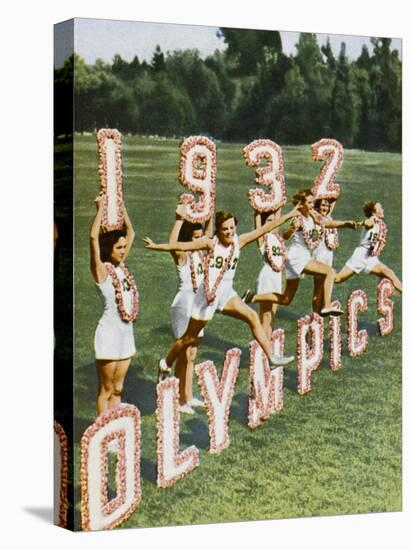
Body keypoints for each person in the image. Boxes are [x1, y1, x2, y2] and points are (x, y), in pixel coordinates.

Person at [146, 206, 300, 383]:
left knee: (252, 316)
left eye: (231, 228)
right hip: (206, 297)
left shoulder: (239, 241)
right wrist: (156, 246)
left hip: (226, 293)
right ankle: (165, 364)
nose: (229, 232)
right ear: (218, 231)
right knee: (189, 338)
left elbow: (264, 229)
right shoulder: (210, 243)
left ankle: (271, 357)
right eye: (225, 229)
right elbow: (182, 245)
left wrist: (290, 214)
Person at [143, 205, 212, 414]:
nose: (200, 241)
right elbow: (173, 243)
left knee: (192, 354)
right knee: (184, 352)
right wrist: (178, 219)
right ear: (187, 238)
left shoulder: (201, 253)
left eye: (200, 237)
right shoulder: (182, 254)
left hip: (199, 303)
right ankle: (177, 396)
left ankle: (187, 396)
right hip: (184, 303)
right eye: (195, 238)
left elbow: (209, 234)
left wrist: (207, 209)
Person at [244, 189, 343, 316]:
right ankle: (327, 305)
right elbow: (282, 235)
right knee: (329, 271)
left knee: (286, 299)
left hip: (289, 262)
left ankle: (252, 297)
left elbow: (325, 220)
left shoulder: (310, 217)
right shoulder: (297, 219)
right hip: (295, 259)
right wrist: (291, 227)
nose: (313, 205)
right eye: (310, 202)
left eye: (313, 202)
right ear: (302, 204)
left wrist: (348, 223)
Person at [90, 194, 138, 417]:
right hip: (108, 333)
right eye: (119, 247)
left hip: (126, 333)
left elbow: (131, 233)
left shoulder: (121, 266)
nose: (123, 250)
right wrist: (100, 208)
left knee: (118, 389)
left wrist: (122, 206)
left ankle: (115, 431)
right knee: (106, 389)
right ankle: (101, 433)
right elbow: (93, 238)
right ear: (109, 249)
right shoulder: (102, 271)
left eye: (124, 247)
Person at [334, 200, 402, 292]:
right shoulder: (373, 219)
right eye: (380, 208)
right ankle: (325, 274)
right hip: (361, 255)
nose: (383, 210)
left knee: (388, 272)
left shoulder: (379, 223)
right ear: (374, 212)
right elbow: (368, 223)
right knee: (337, 279)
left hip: (371, 258)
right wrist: (362, 223)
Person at [311, 197, 357, 313]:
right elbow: (326, 222)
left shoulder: (328, 216)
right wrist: (345, 224)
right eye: (322, 206)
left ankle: (319, 315)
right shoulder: (316, 217)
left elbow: (334, 199)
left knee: (323, 288)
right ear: (317, 206)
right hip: (319, 256)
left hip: (328, 256)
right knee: (318, 289)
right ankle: (315, 317)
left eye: (326, 206)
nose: (325, 208)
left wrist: (332, 192)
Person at [253, 209, 286, 340]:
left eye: (273, 221)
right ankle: (261, 351)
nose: (272, 223)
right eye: (268, 221)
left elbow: (279, 216)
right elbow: (257, 222)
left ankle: (267, 352)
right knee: (265, 317)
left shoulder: (277, 237)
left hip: (277, 280)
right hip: (267, 278)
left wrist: (278, 200)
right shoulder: (263, 238)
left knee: (271, 317)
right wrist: (257, 210)